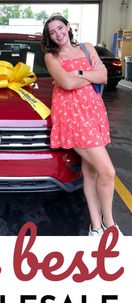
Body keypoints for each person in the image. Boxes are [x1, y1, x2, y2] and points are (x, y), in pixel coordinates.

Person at [42, 14, 121, 236]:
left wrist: (77, 73)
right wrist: (90, 76)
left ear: (68, 27)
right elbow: (65, 84)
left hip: (93, 113)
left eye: (60, 28)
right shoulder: (51, 56)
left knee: (92, 172)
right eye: (52, 32)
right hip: (72, 116)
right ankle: (110, 225)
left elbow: (104, 76)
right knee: (108, 171)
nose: (58, 34)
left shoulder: (87, 48)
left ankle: (95, 226)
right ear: (49, 36)